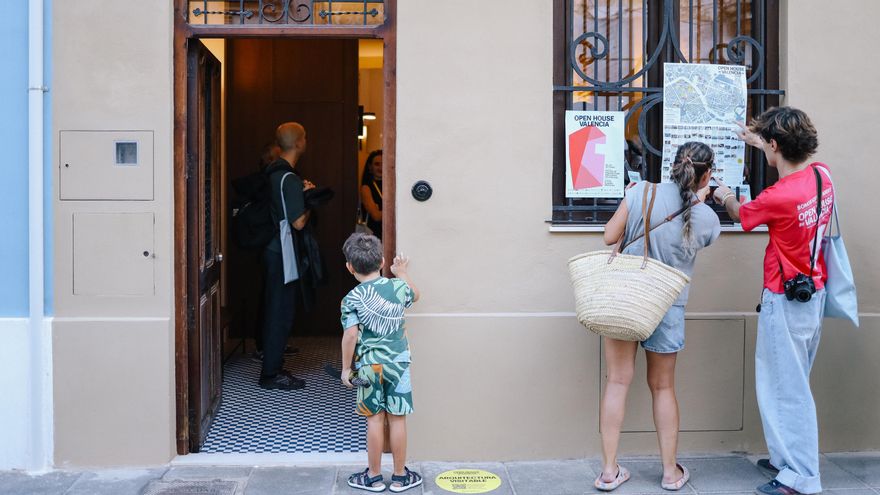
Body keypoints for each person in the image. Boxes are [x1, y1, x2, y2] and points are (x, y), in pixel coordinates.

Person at [714, 107, 832, 495]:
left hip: (784, 298)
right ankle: (785, 459)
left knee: (786, 390)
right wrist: (757, 140)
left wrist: (724, 194)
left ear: (775, 146)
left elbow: (742, 214)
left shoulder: (777, 196)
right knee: (789, 382)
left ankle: (801, 477)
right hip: (813, 292)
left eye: (766, 142)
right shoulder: (822, 176)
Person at [596, 141, 721, 491]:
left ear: (672, 165)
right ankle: (669, 473)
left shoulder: (640, 192)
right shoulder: (707, 218)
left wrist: (631, 200)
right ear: (706, 176)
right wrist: (699, 201)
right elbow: (701, 238)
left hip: (627, 299)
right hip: (668, 306)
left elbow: (609, 236)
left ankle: (609, 472)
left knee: (617, 381)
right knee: (663, 387)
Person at [339, 233, 422, 493]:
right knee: (397, 419)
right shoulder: (397, 287)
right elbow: (415, 295)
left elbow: (350, 335)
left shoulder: (351, 299)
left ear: (350, 267)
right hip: (399, 364)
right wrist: (402, 272)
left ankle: (374, 477)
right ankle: (400, 477)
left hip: (369, 367)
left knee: (374, 420)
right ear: (383, 261)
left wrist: (346, 369)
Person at [258, 122, 315, 390]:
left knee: (274, 307)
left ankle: (271, 365)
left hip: (271, 249)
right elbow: (298, 223)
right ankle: (271, 374)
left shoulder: (273, 173)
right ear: (300, 143)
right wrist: (310, 199)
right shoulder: (289, 178)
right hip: (283, 251)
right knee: (280, 311)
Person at [360, 150, 383, 239]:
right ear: (370, 167)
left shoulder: (392, 186)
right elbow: (376, 216)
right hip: (375, 236)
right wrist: (396, 211)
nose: (380, 168)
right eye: (377, 164)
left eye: (383, 164)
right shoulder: (366, 187)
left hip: (391, 232)